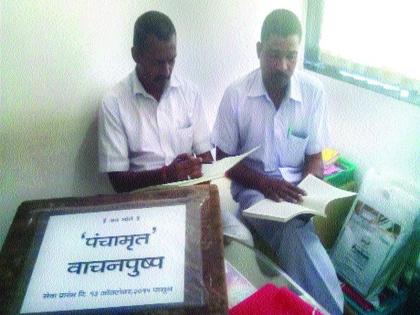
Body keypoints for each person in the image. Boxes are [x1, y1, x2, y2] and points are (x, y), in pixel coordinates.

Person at [212, 9, 343, 315]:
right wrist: (265, 184)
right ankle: (331, 309)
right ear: (259, 50)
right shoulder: (237, 95)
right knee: (292, 233)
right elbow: (223, 160)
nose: (282, 65)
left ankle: (302, 306)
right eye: (273, 54)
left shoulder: (313, 92)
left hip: (295, 189)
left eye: (291, 56)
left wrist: (309, 189)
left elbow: (315, 158)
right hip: (254, 190)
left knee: (296, 228)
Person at [98, 11, 253, 245]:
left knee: (242, 239)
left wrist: (199, 172)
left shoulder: (189, 93)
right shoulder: (115, 102)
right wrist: (166, 175)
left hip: (191, 201)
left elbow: (205, 158)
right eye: (158, 62)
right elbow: (118, 182)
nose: (167, 71)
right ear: (136, 55)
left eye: (172, 60)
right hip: (143, 209)